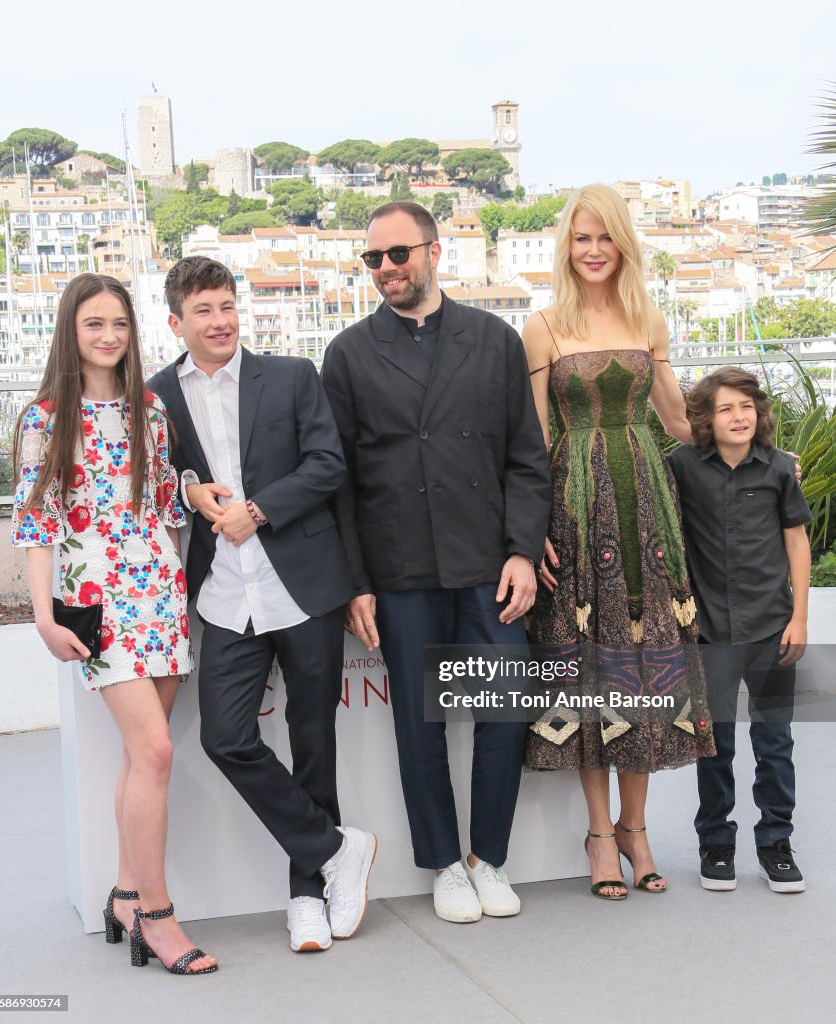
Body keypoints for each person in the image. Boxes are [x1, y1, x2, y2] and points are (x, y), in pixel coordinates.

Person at [321, 201, 550, 924]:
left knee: (503, 712)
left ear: (433, 252)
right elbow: (342, 484)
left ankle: (488, 856)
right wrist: (356, 582)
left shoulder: (492, 339)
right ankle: (445, 864)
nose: (386, 269)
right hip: (400, 567)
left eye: (398, 254)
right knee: (418, 726)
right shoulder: (349, 353)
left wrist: (520, 550)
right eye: (373, 259)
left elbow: (525, 458)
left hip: (486, 560)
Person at [148, 256, 376, 954]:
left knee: (314, 745)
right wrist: (190, 488)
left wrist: (258, 510)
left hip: (301, 585)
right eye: (204, 312)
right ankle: (336, 849)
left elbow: (327, 463)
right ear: (176, 322)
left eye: (226, 307)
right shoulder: (157, 395)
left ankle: (307, 896)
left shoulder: (290, 376)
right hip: (222, 596)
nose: (220, 322)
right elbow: (160, 474)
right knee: (226, 737)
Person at [12, 273, 216, 975]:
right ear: (71, 331)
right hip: (96, 605)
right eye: (94, 324)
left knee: (141, 757)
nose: (108, 337)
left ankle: (127, 895)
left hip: (158, 591)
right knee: (156, 751)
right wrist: (42, 616)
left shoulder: (150, 410)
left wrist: (192, 489)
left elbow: (165, 505)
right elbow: (36, 526)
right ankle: (158, 915)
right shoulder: (43, 419)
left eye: (119, 325)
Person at [521, 184, 715, 900]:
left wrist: (754, 444)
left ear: (622, 245)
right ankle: (599, 833)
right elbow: (536, 436)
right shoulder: (541, 327)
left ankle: (637, 829)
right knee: (588, 667)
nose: (593, 251)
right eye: (581, 239)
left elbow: (675, 420)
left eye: (604, 238)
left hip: (646, 511)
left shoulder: (648, 320)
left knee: (646, 662)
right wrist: (533, 526)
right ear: (565, 249)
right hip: (574, 510)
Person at [667, 367, 810, 893]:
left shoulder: (777, 470)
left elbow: (797, 542)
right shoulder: (680, 466)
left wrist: (799, 618)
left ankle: (776, 844)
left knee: (775, 744)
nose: (739, 417)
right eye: (726, 408)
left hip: (774, 629)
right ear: (705, 418)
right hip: (711, 634)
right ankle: (716, 845)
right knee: (716, 745)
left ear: (759, 413)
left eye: (746, 407)